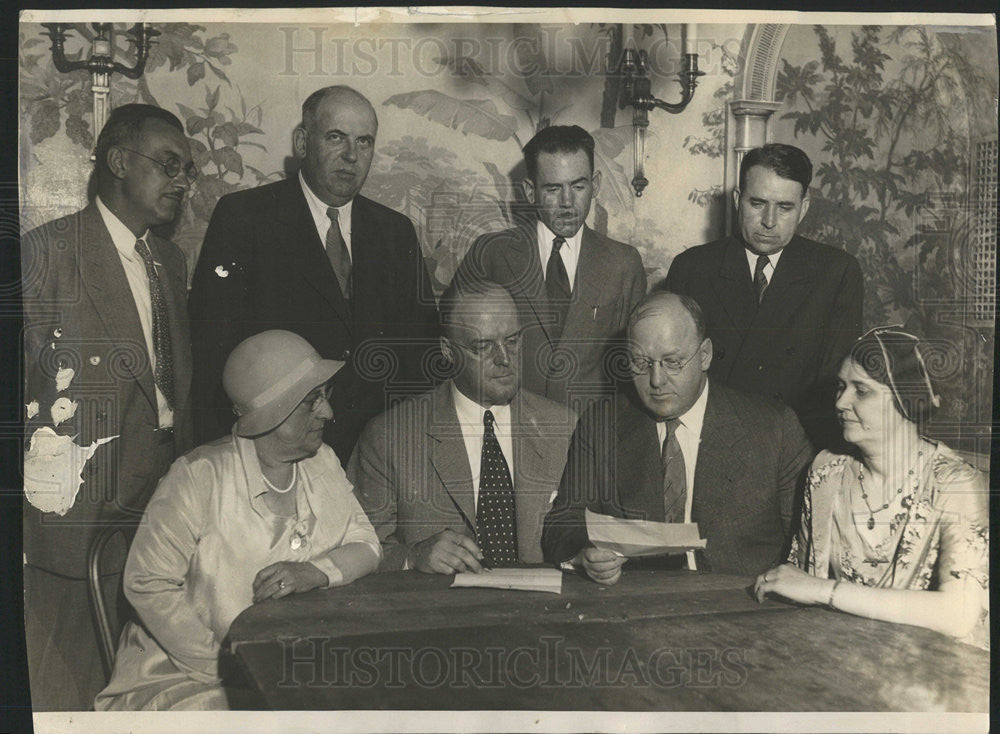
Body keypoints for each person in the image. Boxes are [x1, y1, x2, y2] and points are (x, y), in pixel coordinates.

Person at [94, 331, 381, 710]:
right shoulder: (198, 476)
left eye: (325, 398)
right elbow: (148, 583)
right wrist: (226, 664)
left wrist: (314, 571)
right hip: (188, 677)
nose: (327, 413)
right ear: (274, 411)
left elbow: (367, 544)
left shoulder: (322, 461)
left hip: (290, 668)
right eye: (313, 401)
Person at [21, 103, 195, 710]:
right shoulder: (46, 255)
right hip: (76, 518)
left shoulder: (168, 261)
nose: (182, 181)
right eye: (168, 164)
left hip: (160, 512)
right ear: (120, 162)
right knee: (68, 691)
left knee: (143, 689)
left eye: (187, 170)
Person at [189, 85, 439, 465]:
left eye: (365, 142)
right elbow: (214, 353)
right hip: (278, 452)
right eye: (336, 137)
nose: (351, 155)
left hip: (380, 456)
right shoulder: (245, 218)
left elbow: (421, 355)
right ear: (303, 143)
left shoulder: (395, 230)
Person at [542, 291, 813, 585]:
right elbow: (562, 522)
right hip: (636, 608)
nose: (656, 381)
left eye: (672, 362)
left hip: (743, 607)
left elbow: (810, 544)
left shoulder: (774, 429)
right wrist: (583, 555)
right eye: (641, 363)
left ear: (705, 355)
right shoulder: (602, 422)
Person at [755, 327, 989, 648]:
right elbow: (800, 578)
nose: (840, 402)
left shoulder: (954, 484)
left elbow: (959, 613)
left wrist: (826, 592)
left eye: (861, 391)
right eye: (841, 387)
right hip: (836, 652)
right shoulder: (827, 472)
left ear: (907, 398)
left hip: (930, 664)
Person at [349, 280, 575, 573]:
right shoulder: (389, 437)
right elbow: (357, 547)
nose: (504, 359)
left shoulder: (565, 427)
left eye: (513, 341)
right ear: (447, 350)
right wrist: (413, 557)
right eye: (483, 346)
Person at [664, 143, 863, 450]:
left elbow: (834, 387)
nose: (769, 221)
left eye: (785, 207)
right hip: (709, 444)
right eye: (757, 204)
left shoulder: (836, 273)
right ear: (737, 200)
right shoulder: (693, 268)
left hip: (795, 448)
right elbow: (673, 376)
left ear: (804, 207)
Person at [454, 125, 646, 413]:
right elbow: (454, 344)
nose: (567, 202)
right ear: (531, 191)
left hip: (592, 433)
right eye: (553, 189)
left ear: (597, 184)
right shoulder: (491, 253)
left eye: (578, 186)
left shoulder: (623, 263)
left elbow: (634, 365)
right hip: (507, 429)